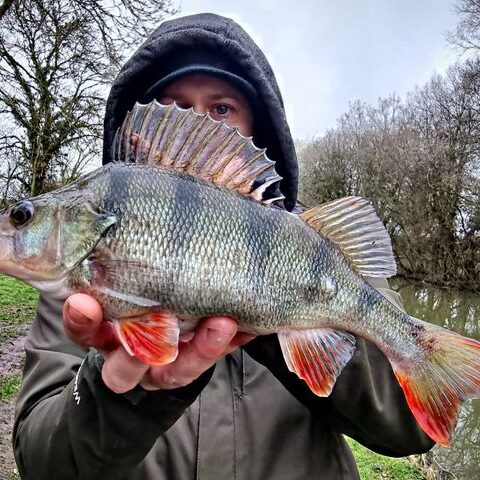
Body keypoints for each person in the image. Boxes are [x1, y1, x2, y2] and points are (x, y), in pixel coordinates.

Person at [13, 12, 434, 480]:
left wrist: (273, 314)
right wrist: (119, 393)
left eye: (220, 110)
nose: (195, 123)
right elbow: (40, 461)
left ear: (258, 129)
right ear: (140, 128)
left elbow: (413, 428)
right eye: (172, 105)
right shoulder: (77, 298)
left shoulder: (315, 245)